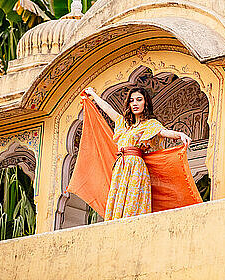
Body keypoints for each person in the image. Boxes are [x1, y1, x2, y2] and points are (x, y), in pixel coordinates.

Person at [82, 86, 192, 220]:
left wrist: (180, 134)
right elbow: (107, 109)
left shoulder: (150, 124)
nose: (135, 103)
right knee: (118, 201)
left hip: (136, 167)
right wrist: (93, 94)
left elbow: (163, 132)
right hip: (120, 167)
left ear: (145, 102)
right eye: (132, 100)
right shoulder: (123, 123)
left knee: (133, 203)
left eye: (139, 100)